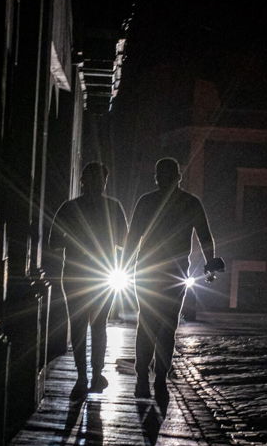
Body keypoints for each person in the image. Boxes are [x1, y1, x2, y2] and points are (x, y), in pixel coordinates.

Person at [125, 157, 218, 398]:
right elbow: (205, 236)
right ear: (179, 177)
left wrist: (123, 265)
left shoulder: (146, 202)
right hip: (175, 272)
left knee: (146, 322)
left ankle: (143, 377)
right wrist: (210, 263)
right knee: (167, 325)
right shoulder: (190, 203)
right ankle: (160, 379)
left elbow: (133, 239)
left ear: (157, 178)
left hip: (146, 271)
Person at [48, 162, 129, 393]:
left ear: (82, 181)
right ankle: (96, 375)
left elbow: (54, 242)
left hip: (75, 274)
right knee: (99, 326)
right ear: (103, 183)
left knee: (79, 326)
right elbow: (125, 241)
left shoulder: (69, 207)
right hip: (104, 273)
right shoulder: (114, 207)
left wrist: (75, 239)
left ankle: (82, 376)